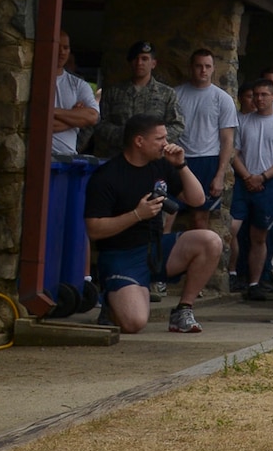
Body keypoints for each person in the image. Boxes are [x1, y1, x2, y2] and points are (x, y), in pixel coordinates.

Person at [83, 114, 221, 334]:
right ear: (139, 141)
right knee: (134, 323)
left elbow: (198, 200)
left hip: (156, 250)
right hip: (122, 255)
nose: (166, 144)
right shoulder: (108, 176)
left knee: (210, 240)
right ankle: (111, 303)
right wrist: (137, 215)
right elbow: (93, 229)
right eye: (160, 139)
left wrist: (181, 165)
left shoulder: (160, 166)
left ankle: (183, 310)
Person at [231, 78, 273, 300]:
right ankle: (233, 272)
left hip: (269, 184)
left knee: (259, 235)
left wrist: (263, 176)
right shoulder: (244, 122)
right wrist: (248, 176)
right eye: (256, 94)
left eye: (264, 95)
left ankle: (255, 282)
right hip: (244, 182)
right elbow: (234, 153)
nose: (259, 99)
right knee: (233, 228)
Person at [173, 49, 237, 235]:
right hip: (179, 159)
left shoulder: (222, 99)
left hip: (207, 160)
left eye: (207, 66)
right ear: (191, 67)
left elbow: (227, 140)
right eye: (199, 66)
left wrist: (220, 175)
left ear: (213, 69)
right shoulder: (176, 94)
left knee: (200, 218)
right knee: (167, 213)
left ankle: (200, 262)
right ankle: (163, 261)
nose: (203, 70)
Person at [92, 41, 182, 159]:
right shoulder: (114, 92)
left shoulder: (166, 93)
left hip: (153, 159)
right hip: (119, 157)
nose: (139, 63)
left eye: (144, 59)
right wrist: (125, 136)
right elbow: (100, 123)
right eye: (136, 59)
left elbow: (177, 125)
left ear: (153, 63)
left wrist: (153, 139)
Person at [48, 31, 99, 160]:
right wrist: (76, 118)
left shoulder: (78, 84)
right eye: (58, 46)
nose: (62, 52)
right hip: (39, 157)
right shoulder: (36, 80)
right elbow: (41, 123)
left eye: (66, 48)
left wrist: (52, 112)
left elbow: (92, 117)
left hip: (68, 157)